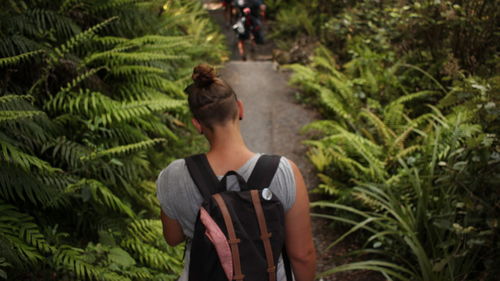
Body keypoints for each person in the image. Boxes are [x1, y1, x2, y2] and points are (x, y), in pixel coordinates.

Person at [156, 64, 316, 281]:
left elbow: (173, 238)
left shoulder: (173, 176)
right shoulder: (284, 172)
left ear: (197, 125)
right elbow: (302, 255)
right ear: (240, 109)